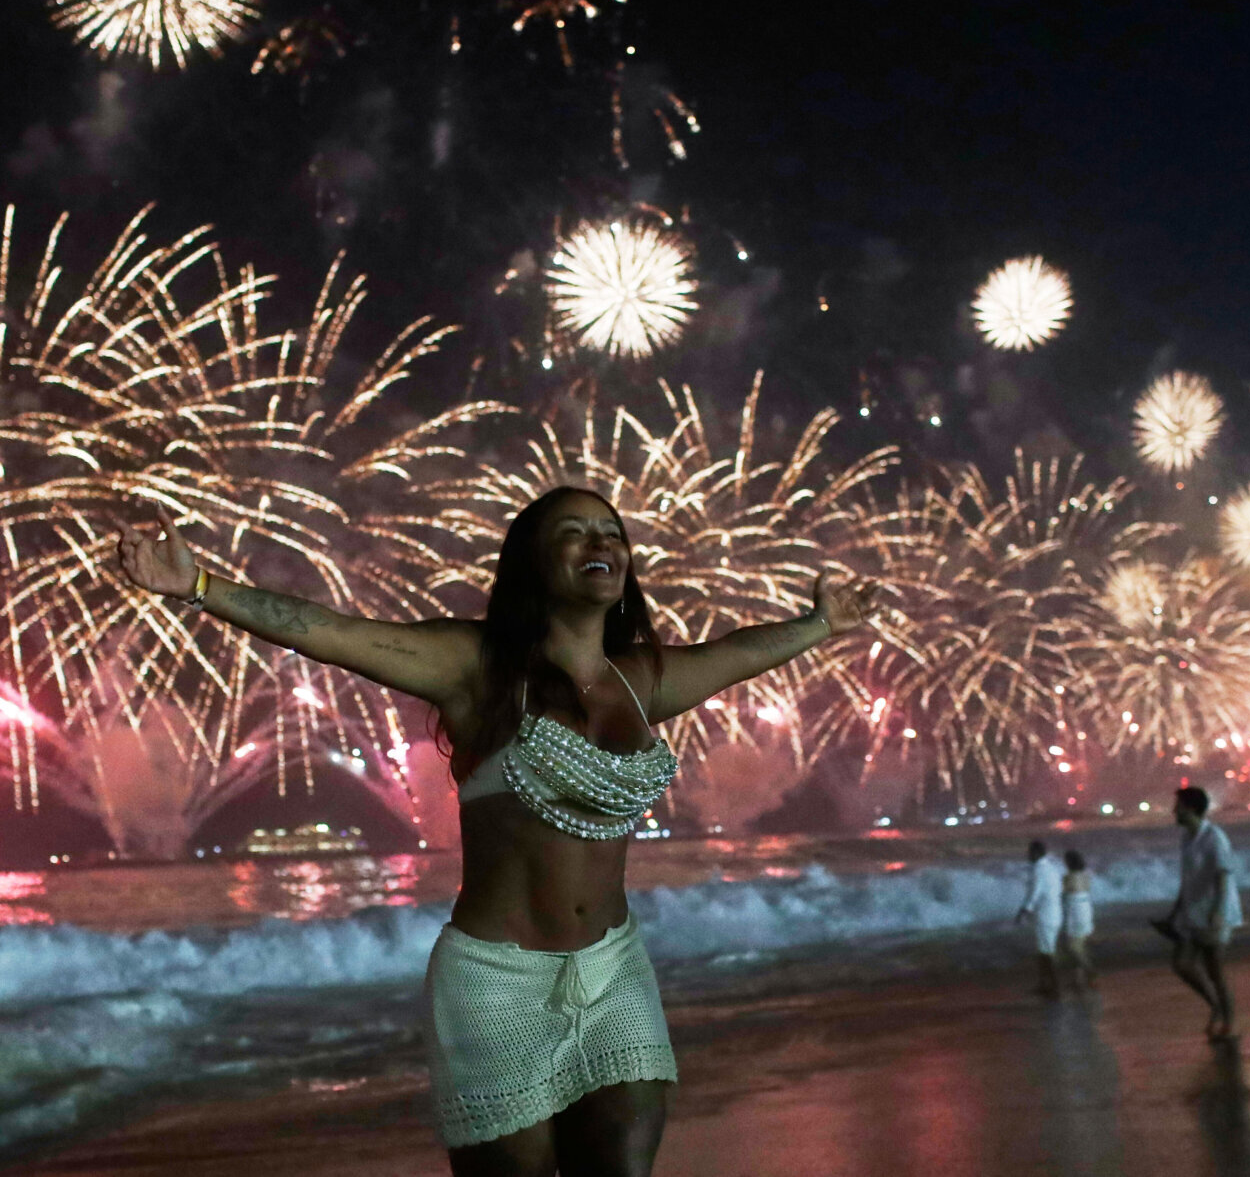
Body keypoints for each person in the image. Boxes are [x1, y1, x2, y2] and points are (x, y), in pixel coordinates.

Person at [113, 488, 875, 1177]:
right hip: (497, 983)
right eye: (572, 532)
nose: (598, 541)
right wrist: (200, 588)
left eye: (610, 530)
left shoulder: (639, 682)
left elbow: (735, 656)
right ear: (531, 563)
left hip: (615, 971)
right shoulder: (475, 667)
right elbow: (332, 631)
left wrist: (819, 624)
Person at [1163, 785, 1242, 1040]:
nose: (1173, 811)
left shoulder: (1214, 837)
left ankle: (1228, 1022)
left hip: (1214, 911)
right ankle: (1215, 1006)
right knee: (1182, 964)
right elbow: (1187, 879)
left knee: (1215, 970)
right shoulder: (1187, 837)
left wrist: (1218, 914)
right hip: (1193, 911)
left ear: (1191, 809)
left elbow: (1222, 876)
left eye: (1178, 806)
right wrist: (1174, 912)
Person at [1014, 839, 1065, 996]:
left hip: (1045, 916)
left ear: (1035, 853)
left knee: (1046, 953)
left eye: (1029, 852)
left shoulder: (1038, 870)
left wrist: (1023, 911)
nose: (1027, 855)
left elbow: (1034, 894)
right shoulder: (1052, 867)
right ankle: (1046, 985)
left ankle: (1053, 987)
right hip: (1056, 913)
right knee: (1047, 951)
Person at [1061, 849, 1097, 990]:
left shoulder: (1068, 877)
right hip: (1086, 910)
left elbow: (1063, 896)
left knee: (1072, 947)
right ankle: (1078, 981)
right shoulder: (1086, 876)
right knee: (1080, 945)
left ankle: (1090, 970)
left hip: (1074, 914)